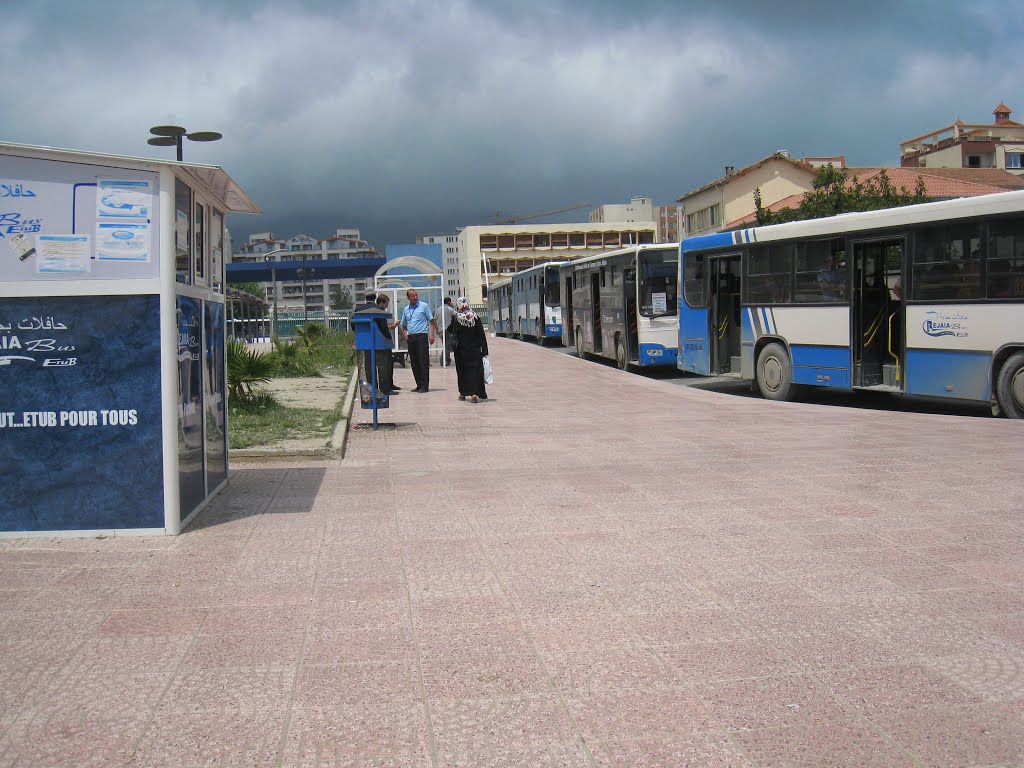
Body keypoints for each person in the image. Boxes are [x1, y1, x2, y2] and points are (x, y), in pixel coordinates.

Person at [451, 296, 488, 403]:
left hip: (461, 350)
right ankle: (475, 393)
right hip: (474, 349)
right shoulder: (475, 317)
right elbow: (481, 334)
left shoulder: (457, 318)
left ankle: (463, 393)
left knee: (463, 372)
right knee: (475, 371)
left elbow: (454, 333)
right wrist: (484, 350)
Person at [399, 289, 437, 393]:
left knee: (423, 361)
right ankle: (419, 384)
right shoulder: (406, 309)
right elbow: (404, 324)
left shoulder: (423, 306)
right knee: (414, 362)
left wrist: (432, 335)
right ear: (408, 298)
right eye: (412, 296)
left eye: (416, 295)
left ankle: (424, 386)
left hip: (421, 336)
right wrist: (406, 335)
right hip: (411, 338)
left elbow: (431, 321)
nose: (415, 297)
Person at [375, 294, 401, 395]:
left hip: (385, 343)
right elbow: (383, 329)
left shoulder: (380, 313)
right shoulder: (380, 313)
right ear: (382, 303)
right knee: (384, 366)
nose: (387, 306)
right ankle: (386, 388)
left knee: (389, 364)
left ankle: (390, 384)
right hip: (383, 343)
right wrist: (393, 326)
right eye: (386, 303)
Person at [441, 296, 457, 366]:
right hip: (447, 330)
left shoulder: (439, 309)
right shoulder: (449, 309)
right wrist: (453, 307)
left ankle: (446, 359)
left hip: (440, 330)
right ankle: (444, 360)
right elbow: (457, 315)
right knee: (447, 346)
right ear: (449, 302)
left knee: (445, 345)